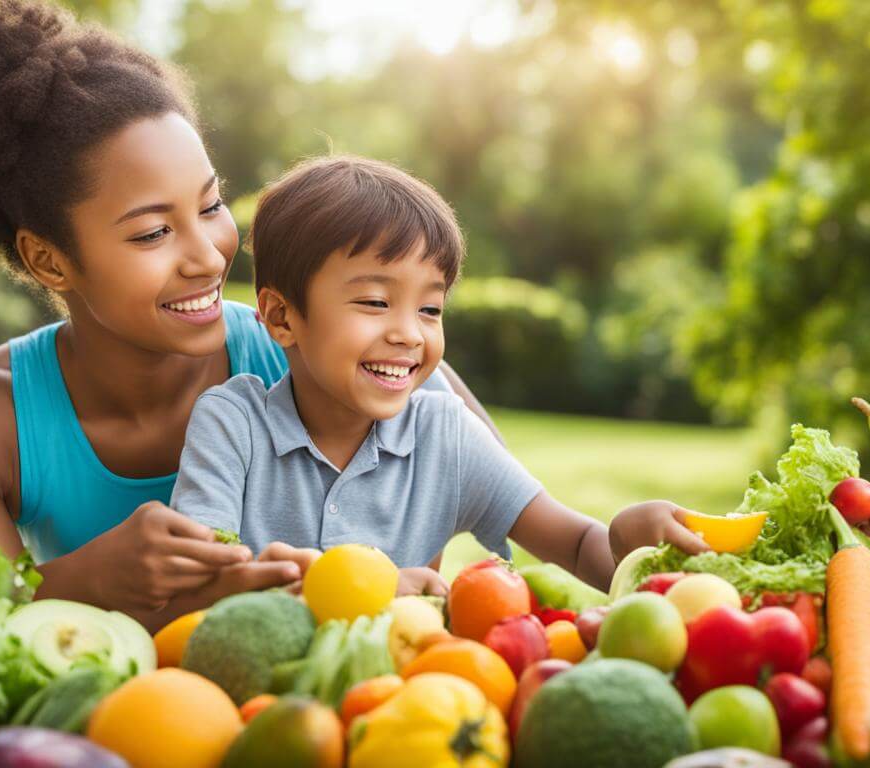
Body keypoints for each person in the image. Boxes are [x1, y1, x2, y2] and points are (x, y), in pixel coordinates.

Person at [0, 0, 493, 631]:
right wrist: (93, 576)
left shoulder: (312, 346)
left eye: (210, 206)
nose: (209, 257)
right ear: (49, 260)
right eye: (152, 233)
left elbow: (492, 486)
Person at [171, 156, 711, 596]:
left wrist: (628, 540)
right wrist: (369, 589)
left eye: (430, 310)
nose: (409, 333)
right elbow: (193, 590)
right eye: (376, 301)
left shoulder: (445, 436)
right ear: (283, 316)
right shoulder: (231, 426)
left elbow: (575, 548)